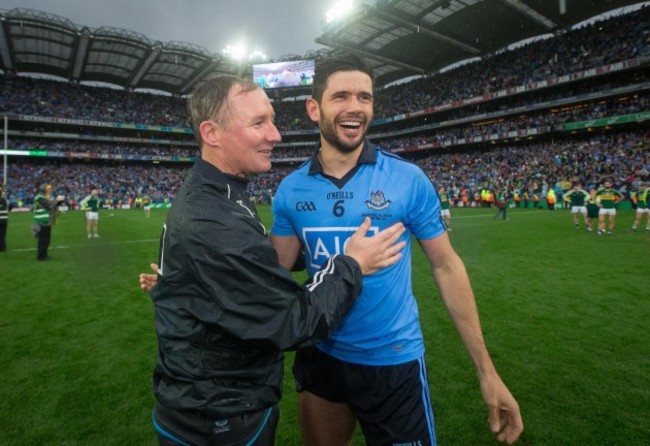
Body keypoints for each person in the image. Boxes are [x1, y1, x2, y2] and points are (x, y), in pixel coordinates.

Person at [270, 54, 523, 446]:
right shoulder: (290, 190)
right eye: (341, 97)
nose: (355, 107)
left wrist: (487, 371)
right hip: (321, 356)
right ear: (313, 108)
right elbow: (274, 270)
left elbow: (446, 266)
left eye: (365, 97)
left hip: (393, 359)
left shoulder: (407, 179)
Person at [141, 74, 406, 446]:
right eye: (258, 123)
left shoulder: (221, 192)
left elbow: (245, 266)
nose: (276, 134)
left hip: (209, 402)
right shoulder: (215, 219)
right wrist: (351, 263)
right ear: (212, 133)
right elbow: (296, 321)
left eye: (272, 120)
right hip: (221, 416)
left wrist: (184, 285)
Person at [32, 183, 64, 261]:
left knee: (46, 239)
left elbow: (52, 206)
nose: (50, 190)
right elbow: (49, 206)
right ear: (44, 189)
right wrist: (57, 200)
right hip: (42, 221)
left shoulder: (44, 197)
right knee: (43, 240)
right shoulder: (39, 197)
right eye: (48, 189)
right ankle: (41, 256)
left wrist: (59, 202)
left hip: (46, 221)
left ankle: (44, 255)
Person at [0, 184, 10, 252]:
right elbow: (10, 207)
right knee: (2, 234)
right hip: (4, 220)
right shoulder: (5, 200)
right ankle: (3, 247)